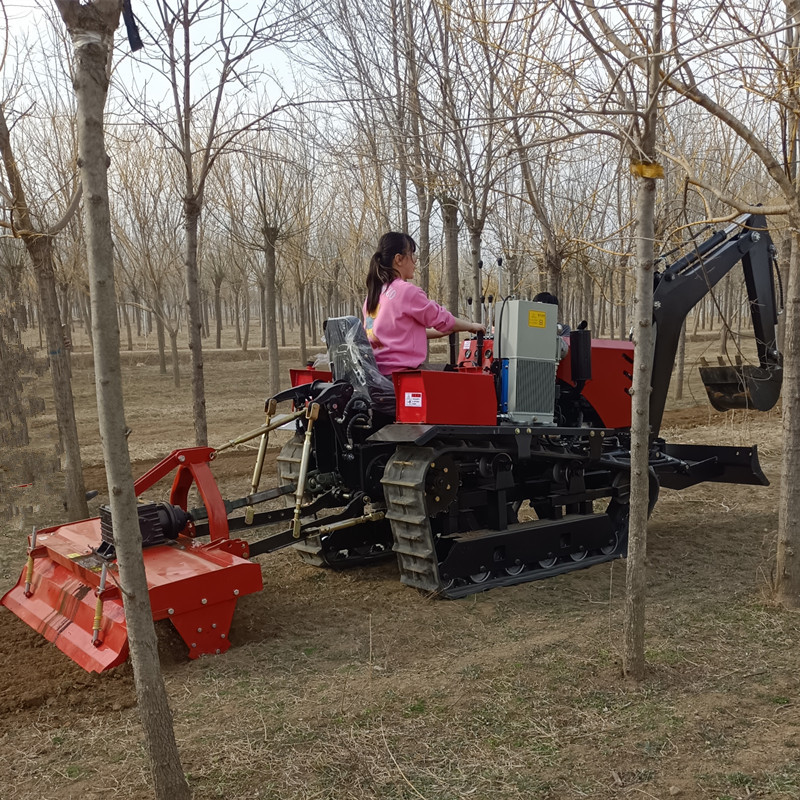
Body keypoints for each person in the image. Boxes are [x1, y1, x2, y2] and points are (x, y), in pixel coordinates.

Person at [364, 232, 485, 376]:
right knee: (459, 382)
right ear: (399, 259)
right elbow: (443, 319)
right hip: (402, 377)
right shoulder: (406, 291)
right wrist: (471, 326)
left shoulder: (374, 295)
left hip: (380, 375)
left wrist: (441, 333)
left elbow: (399, 334)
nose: (415, 261)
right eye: (412, 255)